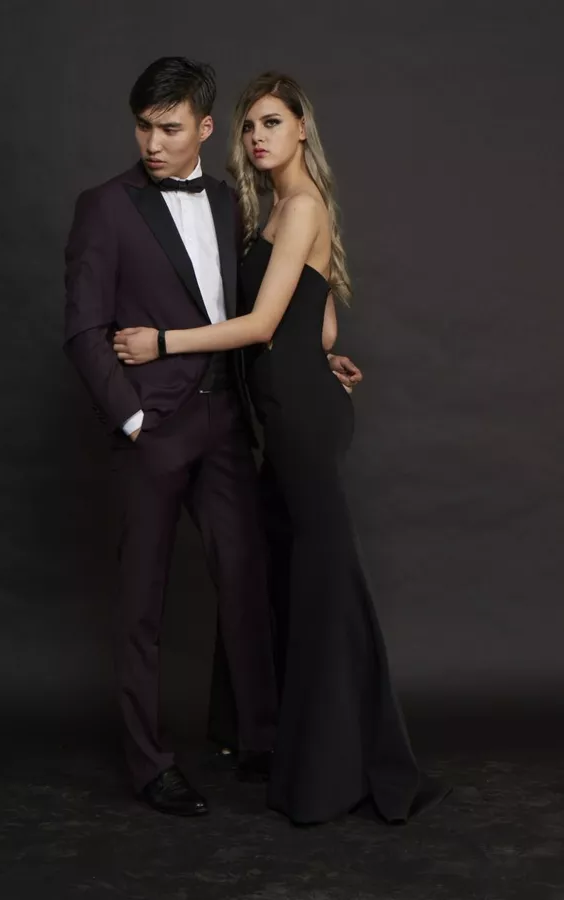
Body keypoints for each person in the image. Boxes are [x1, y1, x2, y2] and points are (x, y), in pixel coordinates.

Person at [113, 72, 448, 825]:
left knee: (327, 583)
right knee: (287, 577)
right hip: (290, 408)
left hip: (301, 419)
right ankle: (289, 745)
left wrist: (162, 342)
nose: (258, 136)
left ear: (302, 128)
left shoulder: (302, 207)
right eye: (249, 125)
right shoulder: (273, 211)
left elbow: (262, 326)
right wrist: (320, 356)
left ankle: (348, 766)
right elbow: (315, 322)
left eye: (272, 122)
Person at [64, 57, 360, 818]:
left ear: (202, 128)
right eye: (143, 128)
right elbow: (83, 331)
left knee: (247, 584)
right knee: (142, 605)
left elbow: (268, 309)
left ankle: (261, 739)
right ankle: (150, 764)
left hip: (227, 422)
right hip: (152, 431)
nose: (152, 144)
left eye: (169, 129)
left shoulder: (233, 204)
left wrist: (316, 357)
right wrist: (133, 419)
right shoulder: (105, 207)